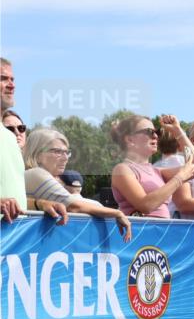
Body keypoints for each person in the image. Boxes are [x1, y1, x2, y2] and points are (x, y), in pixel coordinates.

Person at [22, 128, 132, 240]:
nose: (65, 158)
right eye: (57, 152)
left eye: (66, 152)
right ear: (38, 154)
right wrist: (117, 213)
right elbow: (75, 206)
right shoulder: (36, 173)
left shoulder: (34, 174)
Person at [0, 58, 68, 225]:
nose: (11, 85)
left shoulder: (10, 138)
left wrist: (39, 204)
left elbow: (14, 199)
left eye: (12, 79)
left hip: (11, 243)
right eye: (3, 78)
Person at [110, 115, 194, 218]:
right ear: (130, 140)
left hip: (162, 231)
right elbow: (146, 205)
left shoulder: (157, 171)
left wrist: (177, 131)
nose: (156, 136)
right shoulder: (122, 169)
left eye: (156, 132)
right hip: (141, 232)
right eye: (149, 132)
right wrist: (179, 178)